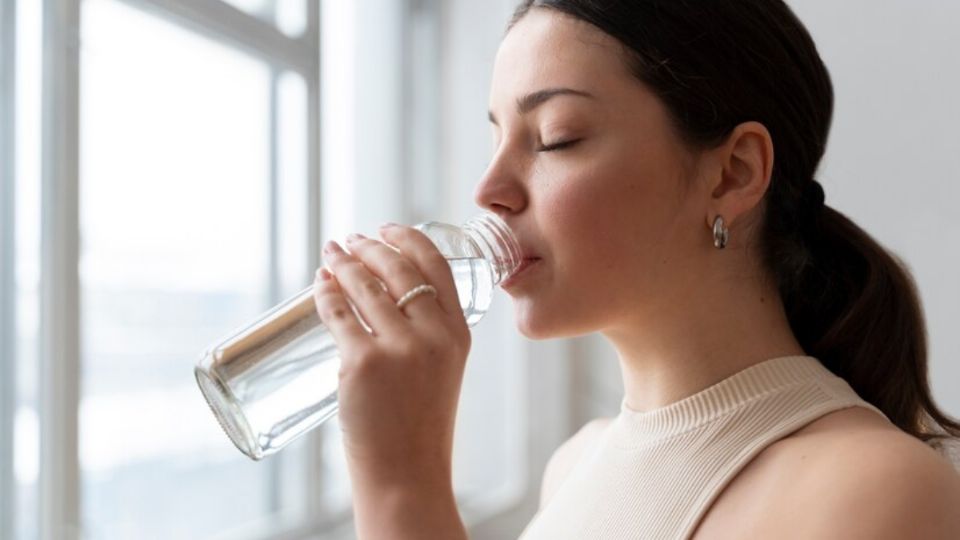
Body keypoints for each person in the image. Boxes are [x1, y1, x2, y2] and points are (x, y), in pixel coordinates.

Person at [311, 0, 960, 538]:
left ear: (733, 173)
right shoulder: (574, 465)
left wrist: (400, 485)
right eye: (495, 138)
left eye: (557, 136)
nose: (488, 188)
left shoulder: (876, 491)